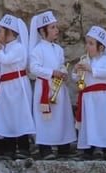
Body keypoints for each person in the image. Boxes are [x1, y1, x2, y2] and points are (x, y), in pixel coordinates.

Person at [28, 10, 75, 159]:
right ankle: (45, 147)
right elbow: (34, 68)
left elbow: (60, 65)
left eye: (56, 27)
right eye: (52, 27)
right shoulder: (37, 49)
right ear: (42, 31)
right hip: (45, 87)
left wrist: (62, 72)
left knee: (61, 115)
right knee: (45, 118)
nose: (56, 30)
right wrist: (52, 72)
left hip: (58, 87)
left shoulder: (58, 49)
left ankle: (63, 144)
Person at [0, 14, 36, 159]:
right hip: (6, 86)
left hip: (17, 86)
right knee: (7, 116)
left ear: (9, 32)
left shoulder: (18, 48)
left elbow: (6, 60)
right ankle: (8, 147)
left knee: (19, 115)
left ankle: (23, 147)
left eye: (1, 31)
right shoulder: (5, 47)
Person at [73, 25, 106, 160]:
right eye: (87, 43)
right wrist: (76, 71)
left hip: (102, 97)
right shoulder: (85, 60)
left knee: (103, 121)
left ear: (101, 47)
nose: (87, 46)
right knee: (89, 122)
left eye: (91, 44)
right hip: (88, 96)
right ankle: (89, 147)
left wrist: (91, 69)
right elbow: (77, 78)